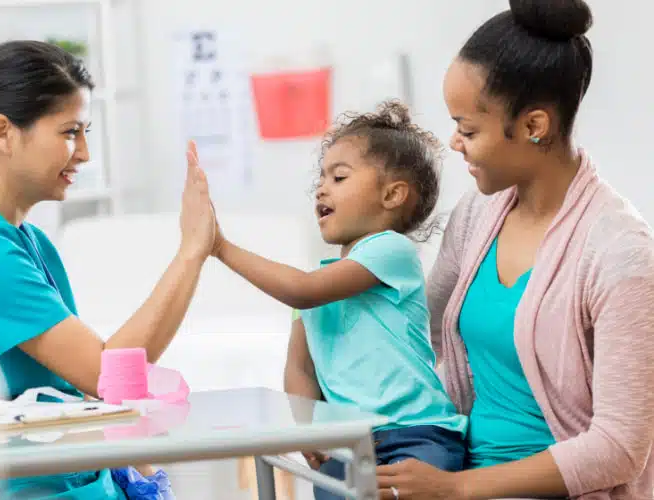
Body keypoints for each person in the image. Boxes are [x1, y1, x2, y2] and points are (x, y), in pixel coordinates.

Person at [0, 40, 215, 499]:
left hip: (66, 475)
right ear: (4, 133)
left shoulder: (23, 239)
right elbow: (108, 374)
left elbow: (81, 388)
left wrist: (143, 477)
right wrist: (192, 251)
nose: (84, 153)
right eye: (70, 132)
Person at [374, 1, 654, 499]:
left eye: (469, 129)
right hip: (461, 475)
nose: (455, 143)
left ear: (533, 126)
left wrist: (459, 489)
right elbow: (415, 335)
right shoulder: (475, 218)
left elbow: (620, 445)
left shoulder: (621, 254)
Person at [205, 100, 468, 500]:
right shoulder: (317, 281)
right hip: (345, 442)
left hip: (414, 434)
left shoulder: (391, 251)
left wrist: (221, 247)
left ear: (393, 195)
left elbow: (301, 290)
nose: (322, 189)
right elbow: (300, 368)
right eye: (321, 179)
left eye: (340, 177)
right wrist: (309, 424)